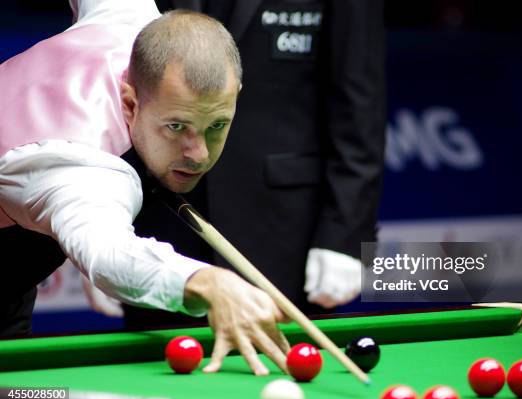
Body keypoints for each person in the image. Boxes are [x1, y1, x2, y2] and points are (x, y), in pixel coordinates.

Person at [0, 0, 290, 376]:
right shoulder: (81, 167)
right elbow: (110, 255)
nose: (198, 154)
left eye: (216, 125)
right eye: (176, 127)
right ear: (130, 102)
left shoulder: (129, 17)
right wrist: (207, 282)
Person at [110, 0, 386, 329]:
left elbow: (359, 95)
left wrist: (344, 233)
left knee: (284, 363)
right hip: (156, 214)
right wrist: (106, 225)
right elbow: (105, 65)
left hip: (282, 229)